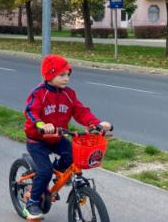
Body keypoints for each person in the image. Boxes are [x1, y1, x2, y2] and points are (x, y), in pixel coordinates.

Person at [21, 54, 113, 220]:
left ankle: (60, 173)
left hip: (57, 137)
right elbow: (31, 112)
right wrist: (41, 125)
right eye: (61, 75)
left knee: (73, 157)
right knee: (45, 170)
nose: (66, 79)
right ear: (49, 75)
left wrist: (96, 124)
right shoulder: (39, 93)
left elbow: (80, 111)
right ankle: (32, 202)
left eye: (68, 74)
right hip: (38, 139)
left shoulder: (69, 94)